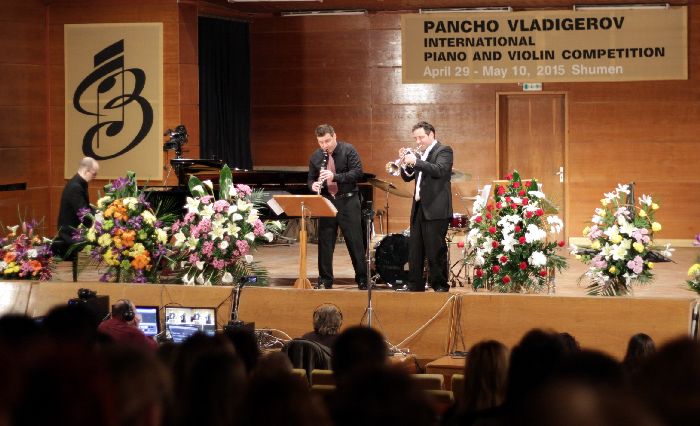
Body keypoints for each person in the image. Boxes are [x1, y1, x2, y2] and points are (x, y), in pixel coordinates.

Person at [307, 124, 368, 290]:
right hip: (327, 201)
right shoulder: (316, 156)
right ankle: (325, 280)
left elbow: (358, 173)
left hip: (348, 200)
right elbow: (310, 179)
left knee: (355, 241)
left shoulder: (348, 150)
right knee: (325, 243)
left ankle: (362, 279)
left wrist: (335, 176)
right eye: (321, 142)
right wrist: (313, 185)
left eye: (327, 141)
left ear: (334, 136)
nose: (324, 145)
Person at [400, 121, 453, 292]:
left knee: (435, 250)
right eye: (415, 138)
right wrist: (404, 163)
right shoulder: (420, 155)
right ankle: (415, 284)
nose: (418, 141)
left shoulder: (444, 150)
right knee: (415, 249)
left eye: (421, 137)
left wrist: (415, 161)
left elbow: (439, 170)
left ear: (431, 134)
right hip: (419, 207)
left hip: (436, 209)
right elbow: (407, 177)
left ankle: (440, 285)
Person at [52, 157, 99, 259]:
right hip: (70, 235)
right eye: (94, 174)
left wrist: (98, 212)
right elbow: (84, 214)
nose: (95, 177)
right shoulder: (75, 187)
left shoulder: (79, 183)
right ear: (86, 171)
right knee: (101, 242)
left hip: (74, 231)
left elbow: (85, 207)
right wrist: (99, 218)